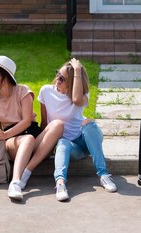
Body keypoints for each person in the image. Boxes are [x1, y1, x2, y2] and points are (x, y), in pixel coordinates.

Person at [0, 55, 63, 201]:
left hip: (33, 135)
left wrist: (5, 134)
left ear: (4, 74)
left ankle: (27, 171)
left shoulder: (23, 91)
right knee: (27, 139)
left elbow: (26, 121)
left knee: (58, 124)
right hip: (13, 142)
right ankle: (15, 182)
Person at [38, 58, 117, 202]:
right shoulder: (46, 91)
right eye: (57, 74)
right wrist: (45, 148)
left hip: (86, 140)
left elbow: (75, 100)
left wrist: (78, 70)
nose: (57, 80)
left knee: (89, 124)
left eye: (62, 78)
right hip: (72, 148)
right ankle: (60, 184)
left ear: (73, 82)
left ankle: (104, 175)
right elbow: (44, 124)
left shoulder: (82, 95)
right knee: (62, 142)